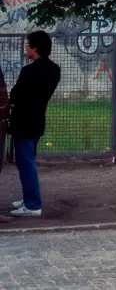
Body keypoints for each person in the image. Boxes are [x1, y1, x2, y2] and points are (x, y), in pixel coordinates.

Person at [7, 30, 61, 217]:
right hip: (37, 120)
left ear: (35, 47)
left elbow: (15, 95)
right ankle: (29, 198)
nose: (26, 47)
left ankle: (32, 205)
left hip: (23, 122)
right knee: (26, 162)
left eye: (28, 44)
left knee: (26, 163)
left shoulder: (29, 71)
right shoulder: (54, 70)